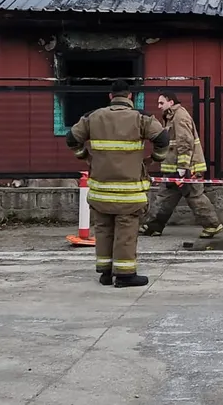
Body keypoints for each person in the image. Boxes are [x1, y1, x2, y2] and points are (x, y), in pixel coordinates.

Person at [66, 80, 170, 288]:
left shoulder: (92, 117)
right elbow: (162, 138)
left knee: (103, 228)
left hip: (101, 189)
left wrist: (85, 157)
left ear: (110, 97)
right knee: (126, 230)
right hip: (128, 191)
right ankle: (124, 275)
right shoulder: (142, 118)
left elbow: (71, 139)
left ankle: (105, 273)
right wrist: (155, 159)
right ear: (130, 97)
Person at [138, 91, 223, 239]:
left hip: (185, 169)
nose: (158, 106)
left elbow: (185, 143)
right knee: (165, 197)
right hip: (174, 169)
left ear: (170, 102)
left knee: (194, 197)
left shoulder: (180, 116)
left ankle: (212, 225)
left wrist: (183, 168)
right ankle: (153, 226)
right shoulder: (171, 117)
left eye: (161, 103)